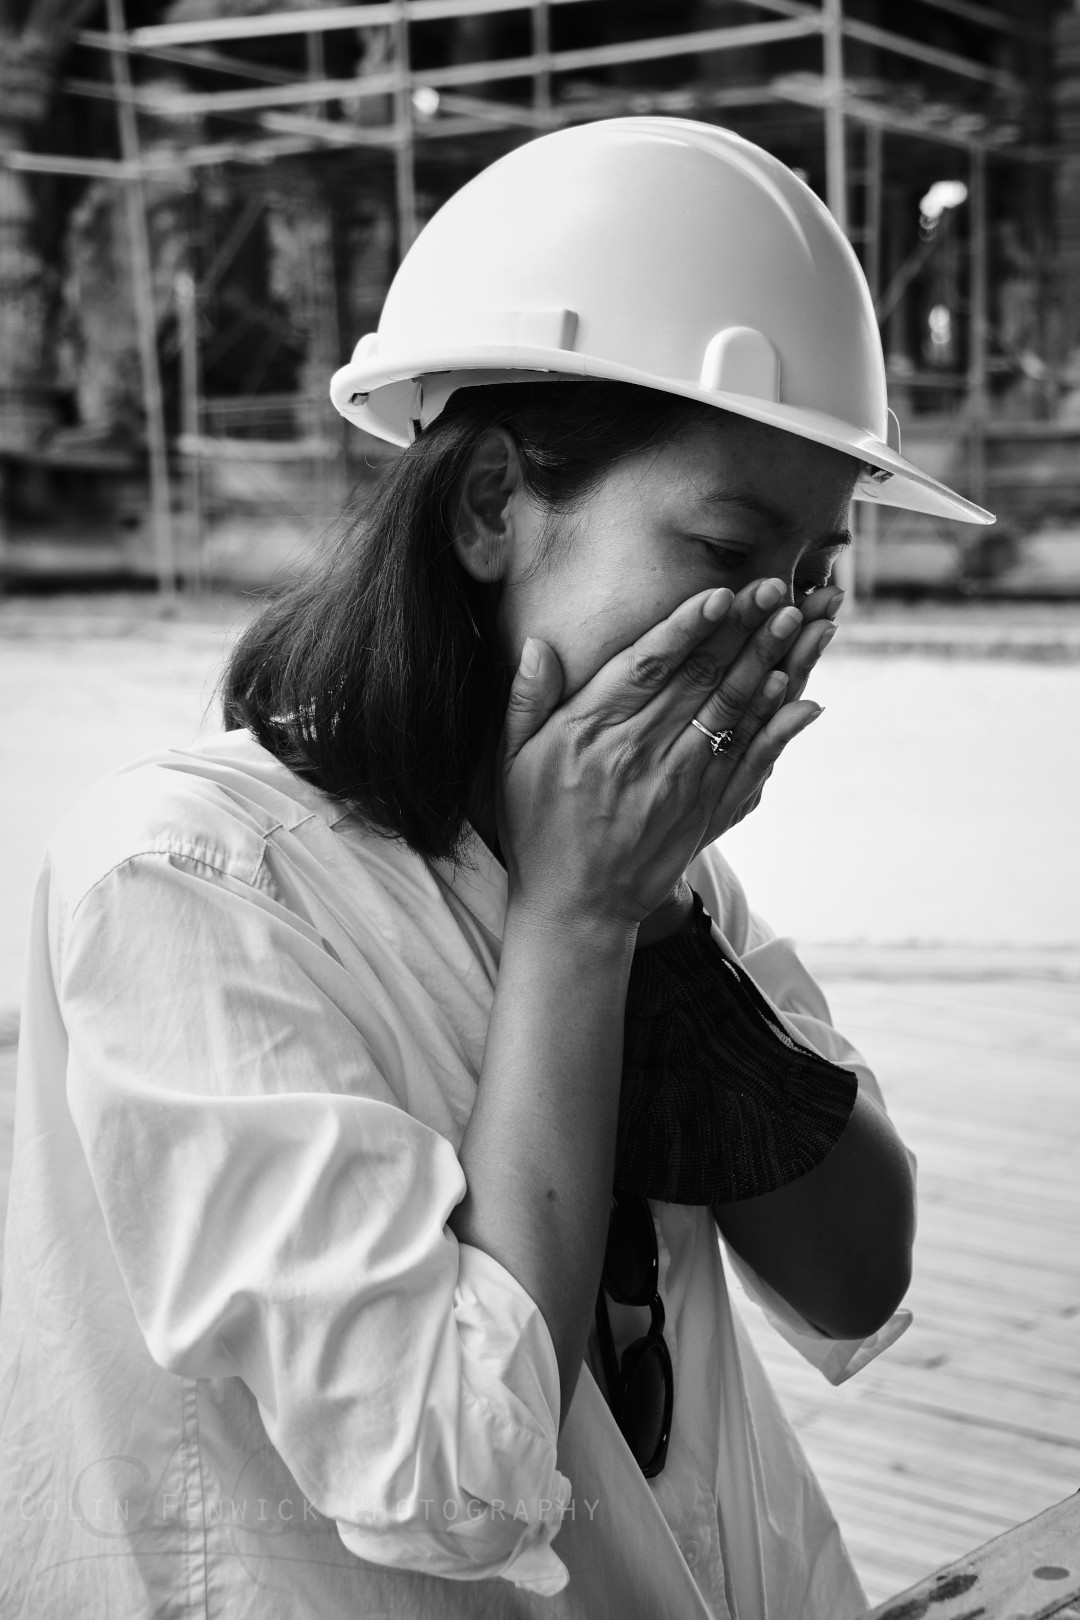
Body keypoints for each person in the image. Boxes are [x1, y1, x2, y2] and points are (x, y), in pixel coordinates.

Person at [0, 119, 992, 1620]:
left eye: (814, 574)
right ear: (487, 510)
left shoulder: (654, 866)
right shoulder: (192, 882)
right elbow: (451, 1482)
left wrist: (651, 925)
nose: (774, 626)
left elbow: (856, 1272)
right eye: (726, 550)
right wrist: (576, 922)